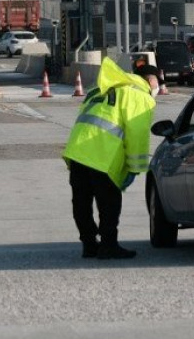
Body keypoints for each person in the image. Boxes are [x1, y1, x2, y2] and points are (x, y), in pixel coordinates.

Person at [61, 57, 156, 259]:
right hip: (102, 154)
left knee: (81, 201)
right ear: (150, 80)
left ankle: (88, 244)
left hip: (78, 150)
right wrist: (134, 168)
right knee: (109, 203)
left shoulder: (100, 88)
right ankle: (108, 245)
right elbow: (137, 134)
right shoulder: (139, 95)